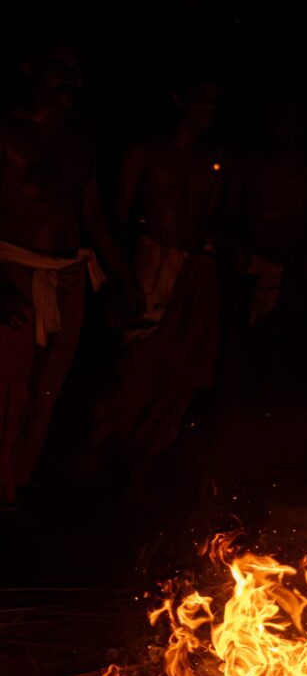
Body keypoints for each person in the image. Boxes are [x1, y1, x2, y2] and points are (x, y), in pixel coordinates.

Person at [0, 40, 138, 508]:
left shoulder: (81, 141)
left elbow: (92, 216)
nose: (72, 79)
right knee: (7, 391)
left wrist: (123, 275)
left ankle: (13, 489)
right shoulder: (6, 132)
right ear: (28, 66)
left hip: (69, 279)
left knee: (45, 393)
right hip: (13, 271)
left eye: (78, 69)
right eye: (61, 67)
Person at [88, 77, 225, 460]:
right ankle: (95, 459)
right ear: (179, 99)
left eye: (216, 103)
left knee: (179, 373)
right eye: (203, 100)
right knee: (135, 368)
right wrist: (119, 276)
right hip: (148, 264)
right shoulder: (145, 151)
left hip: (192, 271)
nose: (211, 110)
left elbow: (212, 221)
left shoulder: (212, 161)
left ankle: (142, 471)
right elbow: (116, 217)